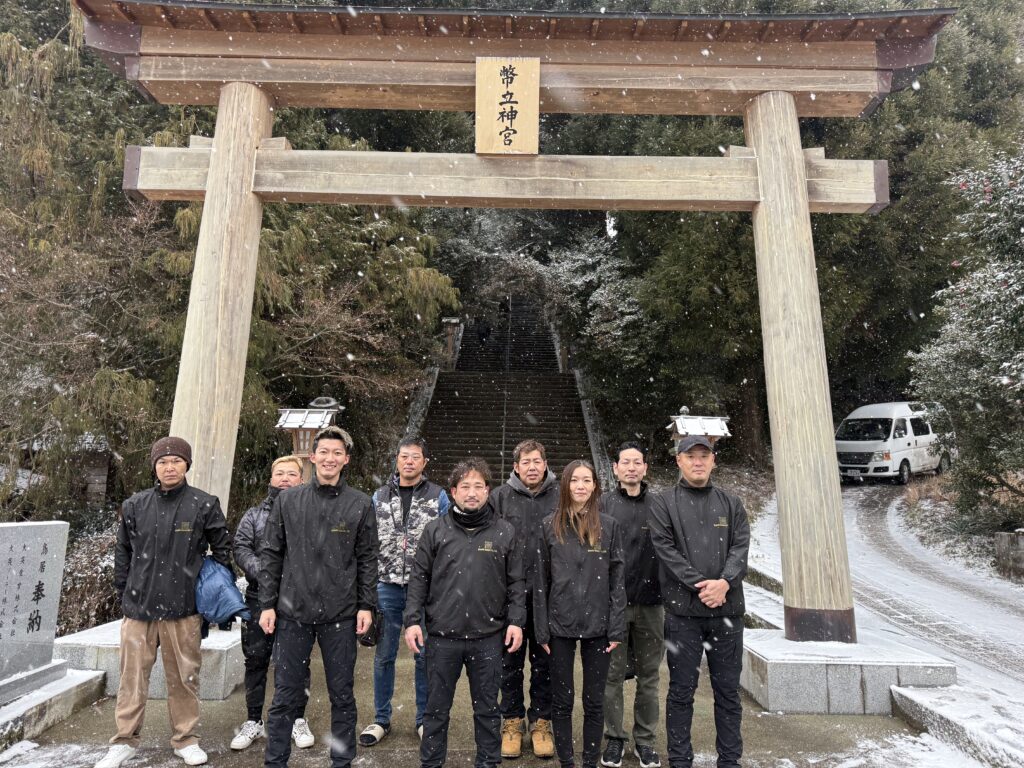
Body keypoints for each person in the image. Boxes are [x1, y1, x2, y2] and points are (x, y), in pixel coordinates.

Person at [94, 437, 232, 768]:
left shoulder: (204, 504)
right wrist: (124, 591)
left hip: (183, 609)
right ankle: (124, 740)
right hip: (138, 608)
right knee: (131, 678)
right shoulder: (135, 505)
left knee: (184, 677)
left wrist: (209, 594)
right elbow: (123, 551)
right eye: (162, 462)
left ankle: (186, 739)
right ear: (154, 467)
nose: (169, 467)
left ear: (187, 465)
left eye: (176, 461)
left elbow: (223, 552)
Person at [258, 426, 379, 768]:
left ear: (346, 459)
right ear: (312, 457)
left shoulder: (360, 503)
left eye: (337, 453)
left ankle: (342, 760)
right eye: (323, 452)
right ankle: (275, 761)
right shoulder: (288, 500)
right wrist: (267, 604)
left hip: (340, 613)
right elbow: (271, 553)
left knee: (342, 694)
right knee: (285, 695)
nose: (329, 458)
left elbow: (368, 557)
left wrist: (366, 605)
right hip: (292, 612)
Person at [404, 458, 526, 768]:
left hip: (488, 638)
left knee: (487, 711)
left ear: (487, 491)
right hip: (443, 637)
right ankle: (431, 763)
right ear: (454, 492)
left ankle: (488, 763)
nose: (471, 493)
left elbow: (516, 582)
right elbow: (419, 579)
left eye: (478, 486)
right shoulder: (435, 530)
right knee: (435, 711)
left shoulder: (504, 531)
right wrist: (412, 621)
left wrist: (516, 621)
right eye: (465, 486)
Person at [648, 436, 750, 768]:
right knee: (681, 691)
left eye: (704, 456)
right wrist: (702, 585)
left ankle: (730, 760)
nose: (697, 462)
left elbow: (740, 549)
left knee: (728, 692)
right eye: (690, 456)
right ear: (678, 460)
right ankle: (680, 759)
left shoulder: (732, 504)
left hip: (727, 612)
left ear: (713, 461)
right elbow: (666, 551)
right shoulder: (664, 503)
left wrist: (725, 582)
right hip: (683, 615)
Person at [360, 436, 450, 747]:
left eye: (415, 457)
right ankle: (381, 719)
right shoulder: (379, 496)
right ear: (397, 460)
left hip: (424, 588)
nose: (409, 461)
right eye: (404, 456)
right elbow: (367, 542)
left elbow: (448, 539)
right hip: (386, 585)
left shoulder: (438, 496)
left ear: (425, 462)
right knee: (384, 656)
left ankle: (424, 719)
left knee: (424, 656)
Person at [535, 460, 626, 768]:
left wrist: (616, 628)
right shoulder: (549, 525)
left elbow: (617, 581)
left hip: (598, 625)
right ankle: (567, 762)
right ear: (565, 485)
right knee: (562, 701)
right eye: (575, 480)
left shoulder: (609, 526)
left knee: (594, 701)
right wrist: (542, 629)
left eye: (587, 480)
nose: (581, 486)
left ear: (595, 485)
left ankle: (589, 761)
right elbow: (540, 581)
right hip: (559, 624)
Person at [230, 455, 314, 752]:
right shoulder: (254, 515)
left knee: (296, 662)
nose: (285, 478)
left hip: (297, 599)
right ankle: (253, 719)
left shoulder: (310, 513)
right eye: (280, 473)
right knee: (256, 660)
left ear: (301, 479)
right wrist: (266, 572)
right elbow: (240, 547)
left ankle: (297, 718)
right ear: (271, 479)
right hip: (258, 596)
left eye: (291, 473)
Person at [490, 439, 559, 759]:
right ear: (515, 467)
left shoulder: (560, 495)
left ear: (545, 464)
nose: (532, 467)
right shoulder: (500, 498)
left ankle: (542, 722)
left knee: (546, 663)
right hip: (510, 595)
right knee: (509, 663)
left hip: (551, 595)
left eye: (537, 461)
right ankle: (512, 721)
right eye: (526, 462)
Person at [600, 443, 663, 768]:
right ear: (615, 468)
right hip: (615, 605)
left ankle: (645, 741)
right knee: (611, 676)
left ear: (645, 467)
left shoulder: (660, 505)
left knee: (649, 676)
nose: (631, 468)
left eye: (637, 462)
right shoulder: (603, 504)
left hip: (652, 604)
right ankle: (614, 738)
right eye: (625, 462)